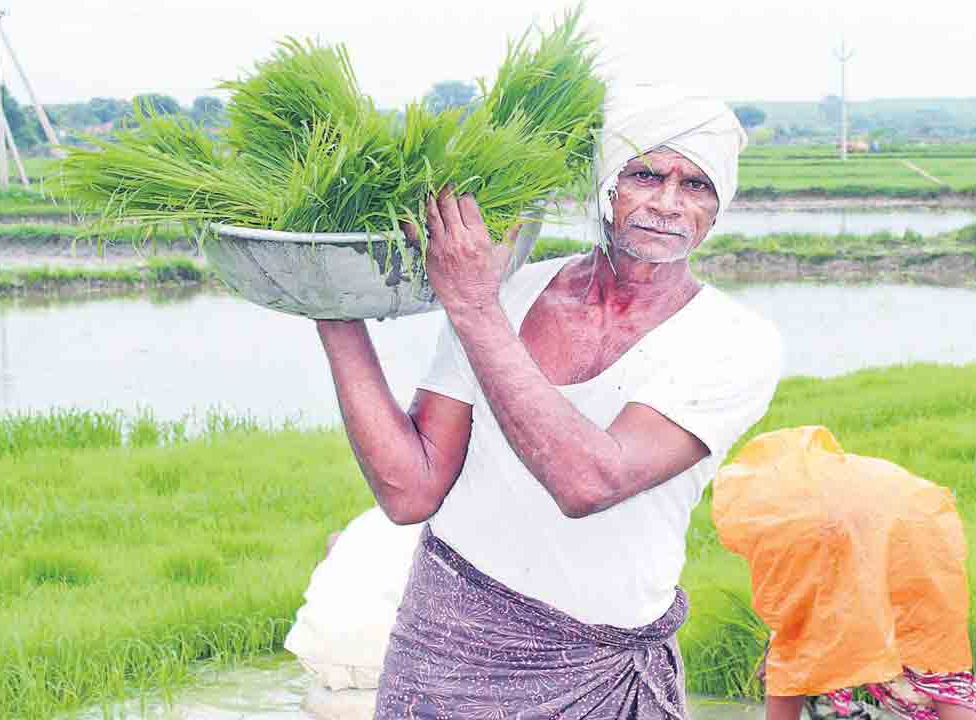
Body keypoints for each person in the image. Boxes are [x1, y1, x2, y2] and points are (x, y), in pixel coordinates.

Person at [314, 83, 783, 717]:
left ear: (718, 208)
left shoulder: (733, 342)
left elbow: (589, 481)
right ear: (606, 188)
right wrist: (327, 304)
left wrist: (473, 306)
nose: (669, 203)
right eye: (645, 175)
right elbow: (410, 490)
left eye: (696, 186)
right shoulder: (514, 291)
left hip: (599, 674)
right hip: (447, 653)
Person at [711, 426, 976, 720]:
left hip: (907, 542)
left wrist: (779, 657)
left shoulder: (798, 526)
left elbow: (790, 650)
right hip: (921, 530)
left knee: (930, 652)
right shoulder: (815, 500)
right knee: (937, 657)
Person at [284, 508, 423, 719]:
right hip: (382, 664)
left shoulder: (371, 517)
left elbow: (333, 541)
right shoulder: (443, 524)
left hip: (316, 654)